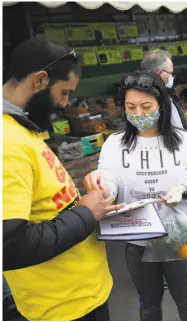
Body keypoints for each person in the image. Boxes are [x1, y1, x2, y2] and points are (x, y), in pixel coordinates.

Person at [2, 38, 123, 321]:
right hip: (60, 309)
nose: (65, 104)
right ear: (40, 79)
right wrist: (85, 213)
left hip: (78, 296)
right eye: (64, 92)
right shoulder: (5, 141)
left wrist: (81, 202)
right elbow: (9, 245)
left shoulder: (21, 129)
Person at [84, 70, 187, 321]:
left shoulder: (185, 143)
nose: (139, 114)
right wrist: (101, 187)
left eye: (146, 106)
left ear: (161, 105)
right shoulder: (115, 144)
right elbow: (109, 178)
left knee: (186, 300)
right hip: (137, 236)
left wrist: (184, 191)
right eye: (131, 107)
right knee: (148, 304)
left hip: (178, 236)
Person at [140, 49, 187, 130]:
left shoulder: (164, 94)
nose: (171, 76)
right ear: (159, 73)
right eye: (170, 73)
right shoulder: (152, 101)